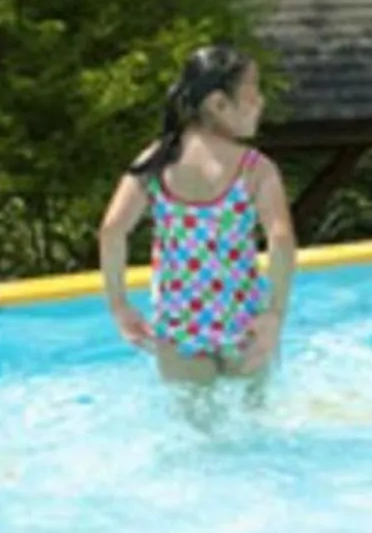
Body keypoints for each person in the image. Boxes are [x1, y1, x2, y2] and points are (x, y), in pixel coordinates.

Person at [97, 46, 297, 382]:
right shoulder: (255, 169)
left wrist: (119, 304)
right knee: (255, 423)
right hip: (243, 321)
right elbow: (280, 239)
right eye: (253, 92)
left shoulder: (156, 161)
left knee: (197, 429)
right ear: (218, 103)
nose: (261, 102)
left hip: (179, 330)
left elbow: (111, 231)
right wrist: (274, 313)